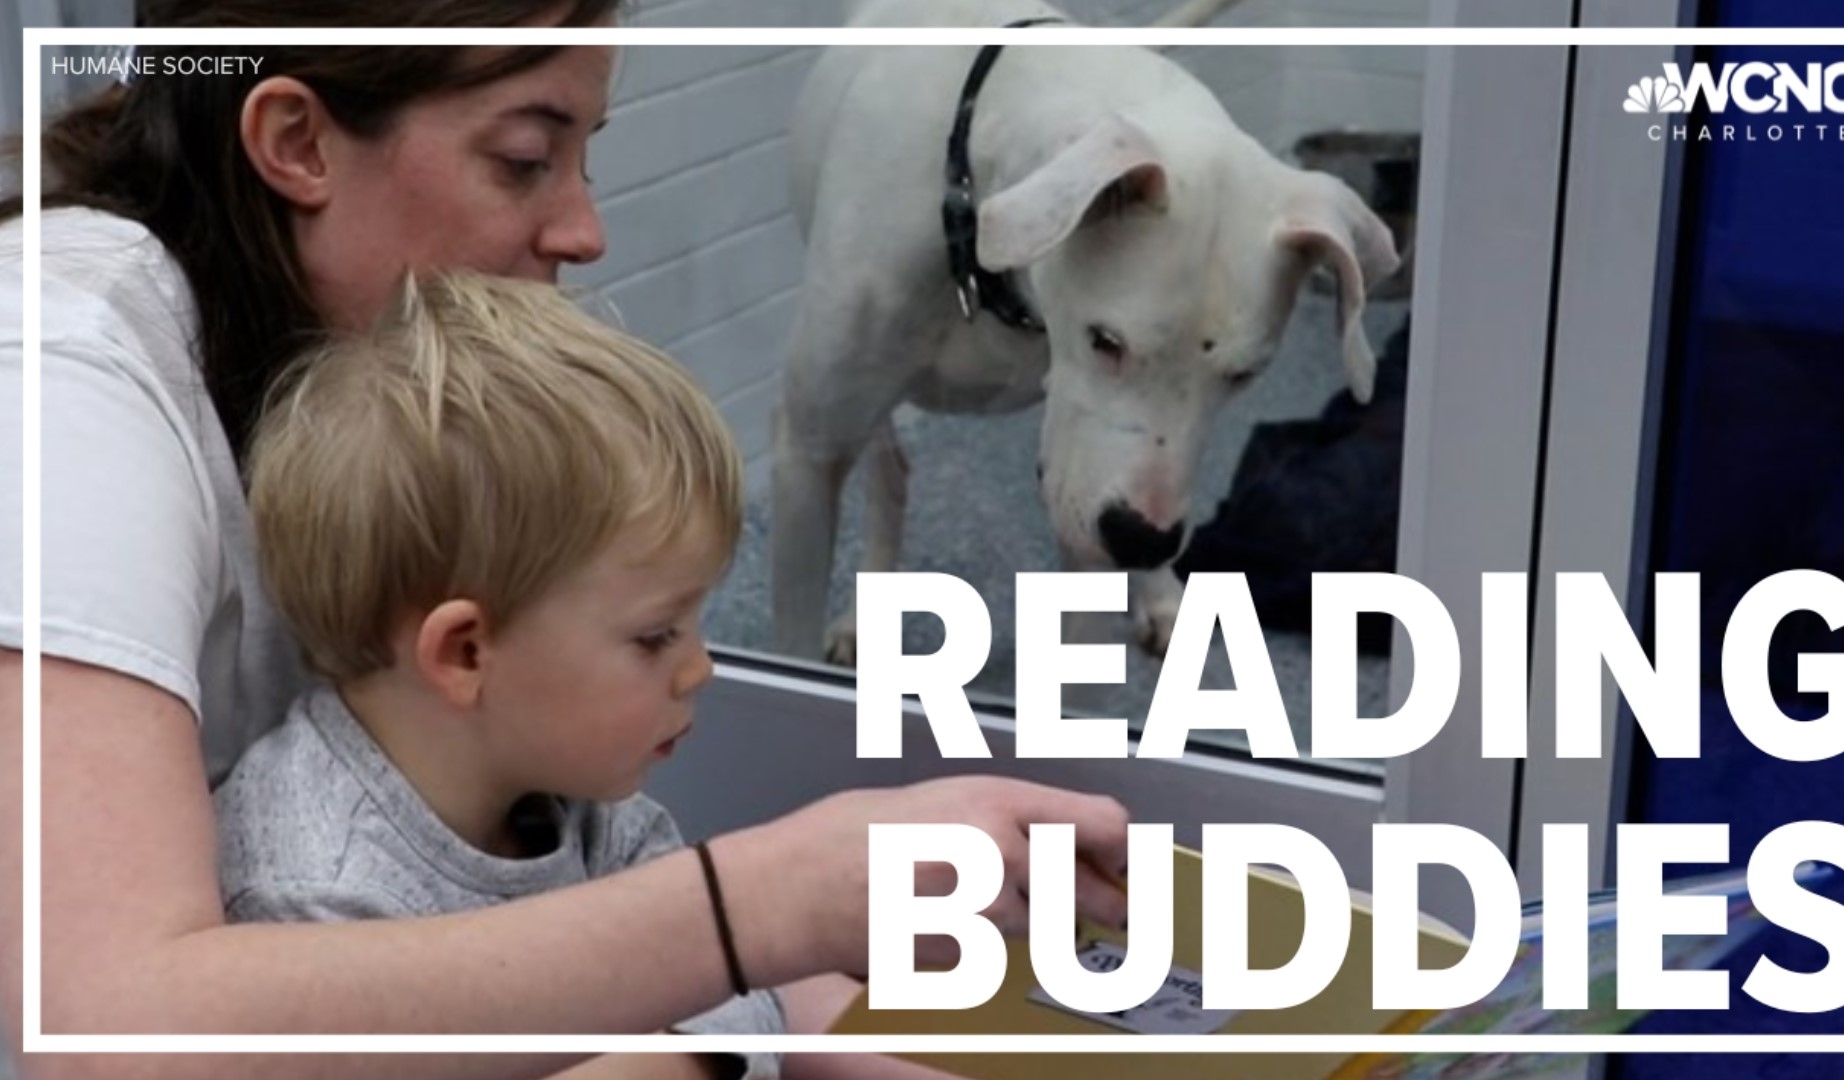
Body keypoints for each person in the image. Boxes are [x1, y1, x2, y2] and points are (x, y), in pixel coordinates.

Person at [0, 3, 1132, 1077]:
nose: (585, 230)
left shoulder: (356, 381)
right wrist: (764, 910)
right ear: (297, 140)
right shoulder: (60, 381)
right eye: (524, 158)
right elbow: (112, 1027)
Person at [221, 270, 789, 1080]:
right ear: (464, 654)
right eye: (655, 635)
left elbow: (740, 987)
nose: (698, 668)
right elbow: (727, 995)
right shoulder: (310, 893)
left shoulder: (580, 799)